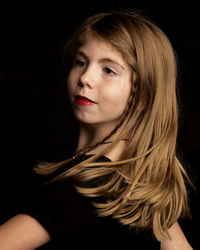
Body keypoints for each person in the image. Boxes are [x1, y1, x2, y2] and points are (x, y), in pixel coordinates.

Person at [0, 9, 194, 250]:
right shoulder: (142, 195)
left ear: (144, 95)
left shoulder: (84, 188)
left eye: (109, 70)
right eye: (81, 62)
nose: (86, 78)